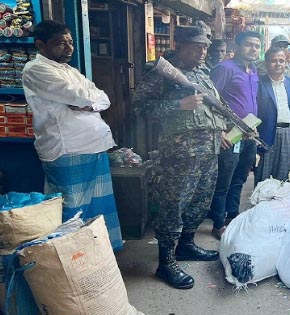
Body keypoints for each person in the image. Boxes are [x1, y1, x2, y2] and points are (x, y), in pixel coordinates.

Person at [133, 25, 226, 289]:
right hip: (179, 155)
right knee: (172, 207)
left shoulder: (202, 72)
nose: (202, 51)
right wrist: (178, 105)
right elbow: (140, 108)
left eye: (205, 46)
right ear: (179, 45)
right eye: (196, 46)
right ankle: (166, 262)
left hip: (208, 151)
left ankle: (186, 246)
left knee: (199, 202)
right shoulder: (161, 72)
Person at [22, 20, 123, 250]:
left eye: (70, 42)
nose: (68, 49)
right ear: (41, 45)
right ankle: (70, 259)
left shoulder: (70, 71)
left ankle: (96, 254)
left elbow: (102, 98)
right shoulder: (36, 70)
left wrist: (89, 102)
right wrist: (89, 101)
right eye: (60, 44)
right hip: (66, 149)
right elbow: (80, 97)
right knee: (71, 208)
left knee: (97, 206)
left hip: (93, 146)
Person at [209, 31, 261, 237]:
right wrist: (219, 131)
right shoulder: (224, 68)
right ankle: (218, 223)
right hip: (230, 134)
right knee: (224, 181)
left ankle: (233, 216)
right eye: (249, 45)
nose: (253, 49)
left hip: (249, 133)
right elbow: (210, 101)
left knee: (240, 177)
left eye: (257, 46)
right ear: (237, 46)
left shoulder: (253, 70)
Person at [255, 47, 290, 185]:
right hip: (265, 133)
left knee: (283, 174)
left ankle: (279, 204)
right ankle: (261, 204)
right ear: (266, 63)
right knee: (262, 174)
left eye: (281, 61)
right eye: (273, 61)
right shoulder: (258, 83)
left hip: (288, 132)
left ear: (286, 63)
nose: (278, 64)